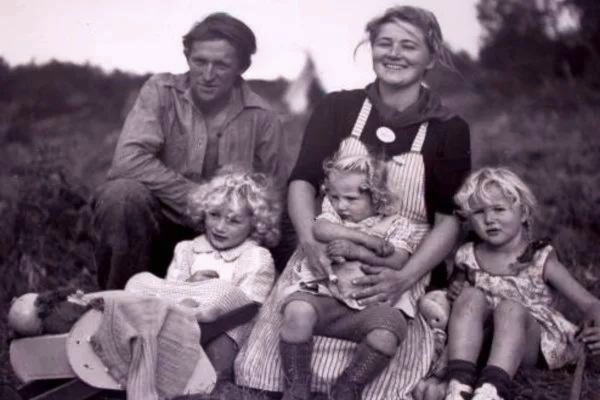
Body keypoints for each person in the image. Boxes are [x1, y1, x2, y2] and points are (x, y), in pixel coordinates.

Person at [235, 6, 471, 400]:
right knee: (297, 316)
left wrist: (406, 276)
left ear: (431, 57)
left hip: (400, 259)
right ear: (371, 48)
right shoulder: (338, 108)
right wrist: (310, 245)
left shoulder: (449, 128)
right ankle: (296, 385)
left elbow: (449, 221)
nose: (394, 54)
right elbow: (302, 183)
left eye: (408, 46)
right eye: (385, 43)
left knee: (386, 336)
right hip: (324, 251)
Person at [92, 12, 284, 290]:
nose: (207, 75)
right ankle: (115, 305)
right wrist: (201, 200)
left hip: (225, 246)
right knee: (120, 196)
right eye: (199, 61)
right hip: (157, 229)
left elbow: (275, 199)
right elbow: (127, 162)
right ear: (186, 57)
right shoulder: (160, 91)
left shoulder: (264, 118)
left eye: (221, 65)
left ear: (242, 67)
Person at [280, 151, 427, 399]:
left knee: (387, 334)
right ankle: (297, 386)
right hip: (324, 296)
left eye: (350, 198)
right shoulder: (334, 217)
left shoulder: (398, 224)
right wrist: (363, 239)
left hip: (370, 304)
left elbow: (398, 259)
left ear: (377, 197)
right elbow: (320, 228)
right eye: (334, 196)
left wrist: (356, 252)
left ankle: (349, 385)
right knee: (296, 311)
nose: (340, 205)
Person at [444, 167, 600, 400]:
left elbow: (589, 303)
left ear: (524, 213)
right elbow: (457, 298)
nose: (489, 219)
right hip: (483, 340)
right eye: (478, 212)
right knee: (470, 297)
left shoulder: (540, 258)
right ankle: (459, 385)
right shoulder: (467, 255)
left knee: (510, 309)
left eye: (499, 209)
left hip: (528, 344)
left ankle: (491, 390)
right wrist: (456, 290)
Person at [129, 167, 281, 384]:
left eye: (233, 221)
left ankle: (189, 335)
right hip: (179, 319)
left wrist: (213, 296)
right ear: (203, 212)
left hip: (228, 331)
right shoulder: (187, 249)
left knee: (222, 306)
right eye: (214, 215)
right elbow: (169, 290)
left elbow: (249, 308)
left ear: (255, 224)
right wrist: (190, 285)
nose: (220, 227)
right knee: (141, 281)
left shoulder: (256, 256)